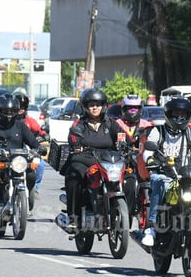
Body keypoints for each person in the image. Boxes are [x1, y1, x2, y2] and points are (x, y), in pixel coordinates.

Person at [141, 97, 191, 247]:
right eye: (176, 114)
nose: (180, 117)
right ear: (169, 115)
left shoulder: (190, 132)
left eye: (183, 114)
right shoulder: (158, 131)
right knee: (157, 182)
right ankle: (151, 228)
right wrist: (150, 160)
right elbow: (147, 151)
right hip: (165, 174)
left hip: (185, 176)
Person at [58, 88, 119, 228]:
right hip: (84, 159)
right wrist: (76, 145)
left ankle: (122, 211)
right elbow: (73, 137)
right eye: (91, 104)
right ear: (85, 107)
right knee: (74, 176)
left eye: (98, 104)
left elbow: (124, 138)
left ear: (104, 106)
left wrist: (131, 145)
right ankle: (73, 217)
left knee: (128, 176)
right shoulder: (79, 124)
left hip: (108, 161)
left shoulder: (111, 124)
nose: (95, 107)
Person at [0, 94, 39, 218]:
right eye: (5, 111)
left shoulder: (21, 126)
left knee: (31, 174)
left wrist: (39, 148)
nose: (9, 114)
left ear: (17, 111)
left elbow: (33, 142)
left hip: (17, 160)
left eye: (12, 111)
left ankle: (25, 200)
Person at [14, 92, 47, 197]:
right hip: (12, 151)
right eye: (19, 106)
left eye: (23, 106)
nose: (21, 108)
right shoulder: (9, 121)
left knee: (41, 165)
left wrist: (44, 136)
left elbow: (40, 132)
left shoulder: (30, 121)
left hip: (27, 152)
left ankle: (35, 188)